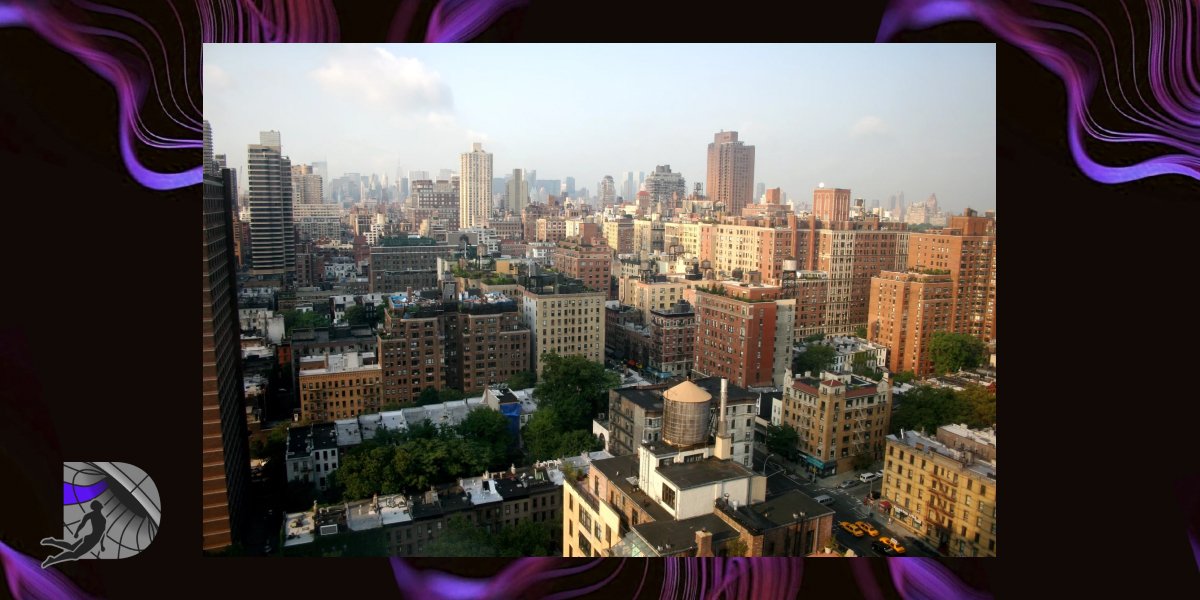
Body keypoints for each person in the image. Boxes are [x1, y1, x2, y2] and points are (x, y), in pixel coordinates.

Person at [41, 500, 107, 568]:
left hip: (90, 538)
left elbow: (103, 532)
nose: (101, 505)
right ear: (96, 507)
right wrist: (77, 532)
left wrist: (102, 545)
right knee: (74, 555)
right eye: (99, 504)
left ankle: (53, 542)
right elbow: (82, 524)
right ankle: (52, 559)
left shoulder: (102, 519)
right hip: (91, 540)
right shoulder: (92, 515)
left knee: (71, 547)